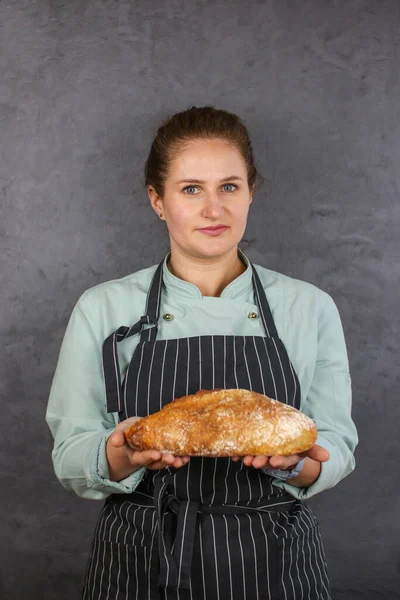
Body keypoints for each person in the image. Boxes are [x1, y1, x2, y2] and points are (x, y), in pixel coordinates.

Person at [46, 105, 358, 600]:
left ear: (251, 192)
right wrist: (122, 452)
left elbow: (336, 441)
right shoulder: (103, 308)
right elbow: (70, 456)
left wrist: (295, 464)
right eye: (191, 189)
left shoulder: (308, 306)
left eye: (229, 187)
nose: (214, 210)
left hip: (273, 563)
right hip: (142, 560)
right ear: (158, 200)